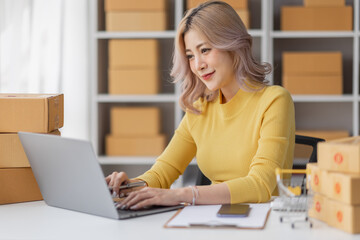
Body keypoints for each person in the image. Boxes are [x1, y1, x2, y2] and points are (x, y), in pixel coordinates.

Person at [106, 1, 295, 210]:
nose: (198, 65)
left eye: (205, 50)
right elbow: (162, 173)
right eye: (190, 56)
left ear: (233, 44)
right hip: (212, 220)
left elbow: (261, 185)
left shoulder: (274, 100)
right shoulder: (200, 108)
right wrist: (128, 187)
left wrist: (181, 194)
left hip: (265, 221)